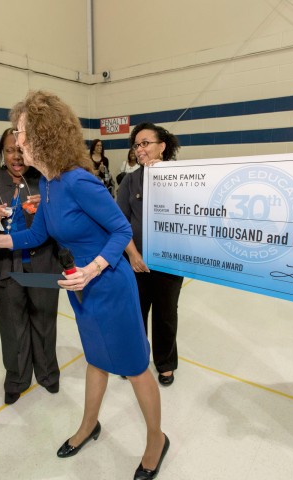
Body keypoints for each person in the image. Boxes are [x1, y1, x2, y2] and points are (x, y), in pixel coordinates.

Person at [0, 91, 170, 480]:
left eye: (23, 132)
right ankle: (88, 425)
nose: (18, 140)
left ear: (43, 135)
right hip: (82, 288)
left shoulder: (79, 181)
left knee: (135, 367)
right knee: (95, 359)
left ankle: (155, 440)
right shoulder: (47, 184)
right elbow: (34, 236)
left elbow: (121, 229)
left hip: (108, 284)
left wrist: (93, 269)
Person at [0, 128, 61, 405]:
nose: (16, 157)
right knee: (11, 325)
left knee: (44, 322)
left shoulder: (44, 179)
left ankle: (47, 373)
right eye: (10, 150)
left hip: (42, 263)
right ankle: (17, 377)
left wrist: (47, 206)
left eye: (21, 150)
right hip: (4, 267)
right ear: (1, 154)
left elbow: (63, 220)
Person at [118, 123, 184, 387]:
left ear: (162, 146)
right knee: (135, 313)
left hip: (170, 262)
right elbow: (120, 224)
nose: (140, 149)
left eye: (146, 143)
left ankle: (165, 363)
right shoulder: (129, 181)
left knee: (166, 314)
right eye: (137, 144)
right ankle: (134, 358)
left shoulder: (183, 178)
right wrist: (133, 255)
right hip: (137, 262)